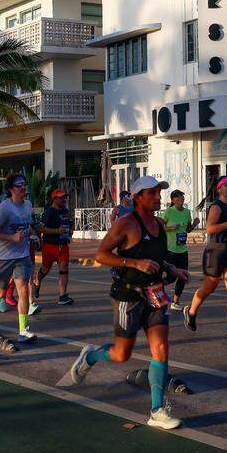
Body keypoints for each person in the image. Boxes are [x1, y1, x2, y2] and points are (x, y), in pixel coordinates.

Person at [62, 176, 189, 430]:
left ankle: (157, 410)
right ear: (138, 197)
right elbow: (101, 254)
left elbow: (158, 258)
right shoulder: (126, 223)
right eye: (152, 193)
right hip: (127, 295)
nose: (158, 197)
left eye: (158, 192)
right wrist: (134, 263)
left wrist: (173, 269)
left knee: (161, 347)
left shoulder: (159, 225)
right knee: (122, 354)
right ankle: (91, 357)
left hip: (155, 295)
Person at [183, 176, 227, 338]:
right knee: (209, 288)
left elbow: (226, 227)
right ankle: (191, 311)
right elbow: (210, 229)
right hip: (215, 251)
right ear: (219, 189)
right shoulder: (216, 207)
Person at [0, 174, 36, 342]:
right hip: (2, 257)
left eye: (24, 184)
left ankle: (23, 331)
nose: (23, 188)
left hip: (22, 255)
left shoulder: (28, 205)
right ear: (11, 189)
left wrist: (30, 232)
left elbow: (27, 226)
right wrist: (11, 238)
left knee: (23, 289)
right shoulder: (4, 208)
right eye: (19, 185)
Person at [34, 188, 75, 306]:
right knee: (45, 269)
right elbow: (40, 228)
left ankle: (63, 296)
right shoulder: (49, 212)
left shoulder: (66, 211)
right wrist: (57, 231)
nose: (64, 200)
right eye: (61, 197)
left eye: (65, 197)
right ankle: (37, 281)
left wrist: (69, 232)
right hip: (50, 246)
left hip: (63, 246)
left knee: (64, 270)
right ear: (54, 199)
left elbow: (67, 225)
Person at [162, 190, 196, 311]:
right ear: (173, 200)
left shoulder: (187, 212)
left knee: (183, 276)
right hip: (170, 249)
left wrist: (194, 224)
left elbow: (188, 230)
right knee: (171, 278)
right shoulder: (169, 212)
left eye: (182, 197)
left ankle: (175, 301)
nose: (182, 199)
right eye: (179, 198)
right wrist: (171, 227)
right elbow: (161, 227)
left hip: (182, 250)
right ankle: (156, 286)